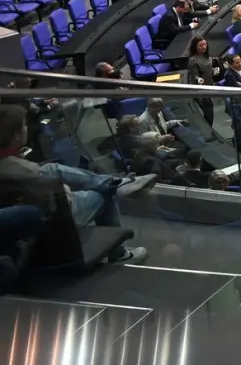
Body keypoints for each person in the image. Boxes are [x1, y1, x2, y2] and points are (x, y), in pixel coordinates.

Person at [0, 106, 154, 263]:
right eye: (24, 125)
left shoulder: (10, 163)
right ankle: (120, 254)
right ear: (17, 136)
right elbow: (51, 200)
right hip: (55, 218)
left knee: (51, 169)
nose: (28, 128)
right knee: (106, 195)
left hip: (37, 204)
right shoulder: (19, 169)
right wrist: (65, 189)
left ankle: (116, 183)